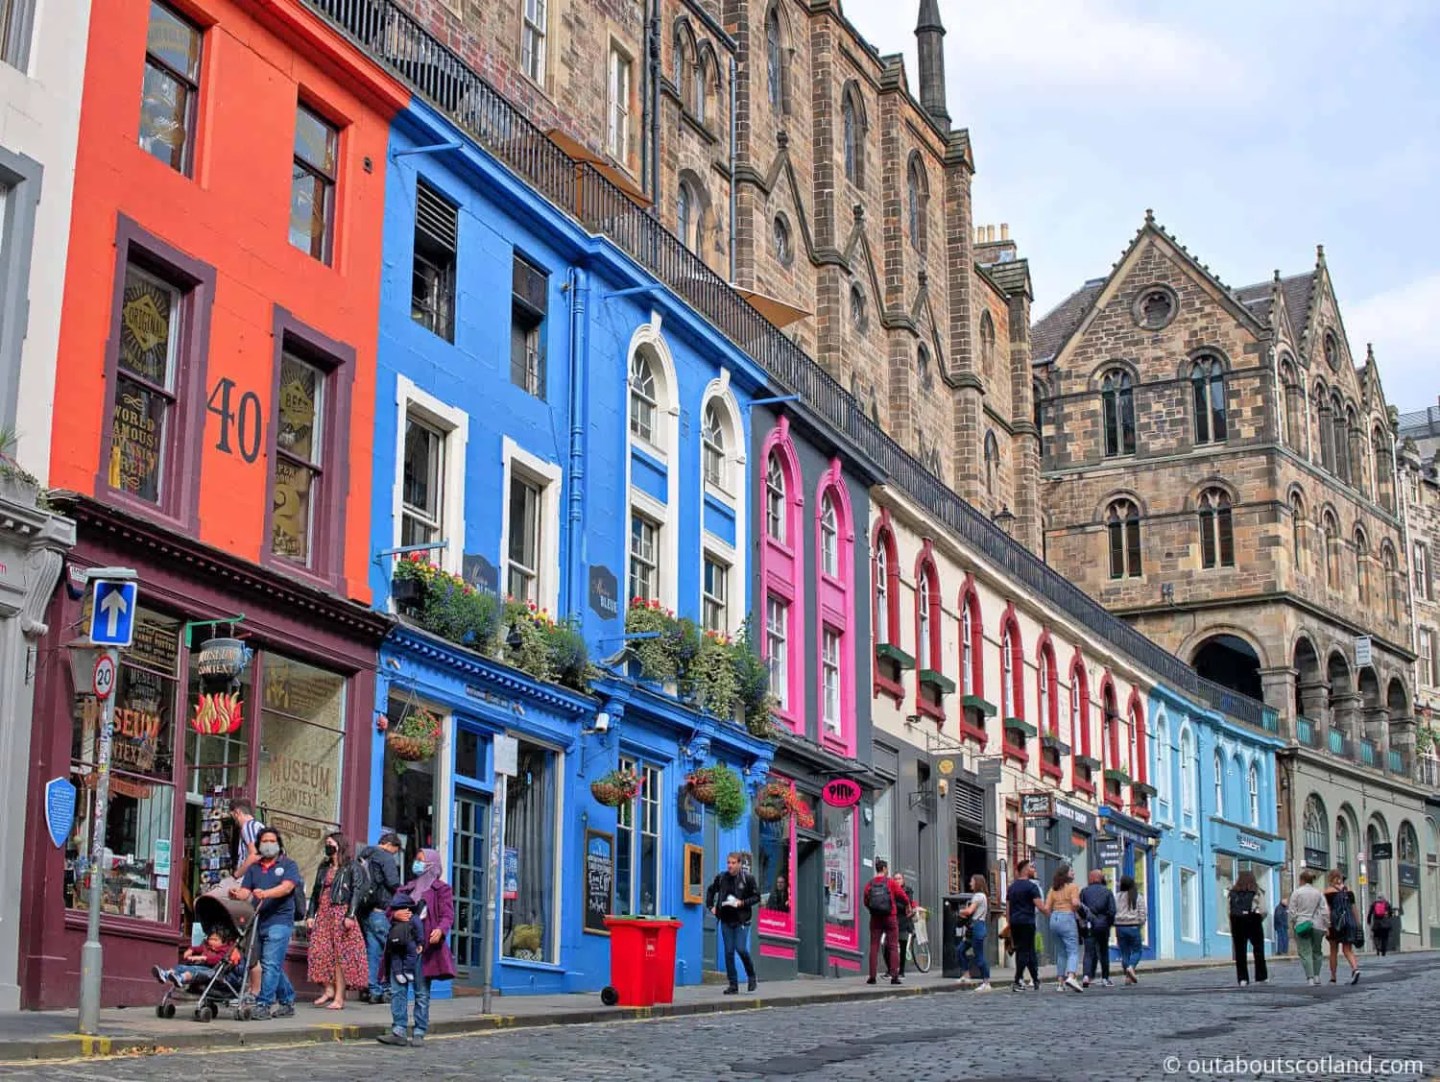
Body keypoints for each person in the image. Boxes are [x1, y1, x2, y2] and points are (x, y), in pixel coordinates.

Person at [377, 848, 454, 1048]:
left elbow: (448, 915)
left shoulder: (442, 889)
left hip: (424, 947)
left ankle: (419, 1030)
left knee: (421, 991)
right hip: (400, 946)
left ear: (432, 865)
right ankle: (399, 1030)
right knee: (397, 989)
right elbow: (389, 910)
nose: (416, 864)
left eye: (421, 860)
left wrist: (440, 930)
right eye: (416, 859)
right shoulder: (406, 889)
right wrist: (394, 915)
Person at [230, 826, 301, 1019]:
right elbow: (246, 891)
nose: (268, 844)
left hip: (280, 920)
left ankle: (264, 1004)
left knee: (270, 964)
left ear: (278, 844)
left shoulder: (288, 865)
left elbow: (286, 888)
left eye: (272, 841)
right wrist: (237, 894)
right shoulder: (254, 868)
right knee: (271, 964)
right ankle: (287, 1001)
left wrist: (266, 893)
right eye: (264, 841)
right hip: (259, 920)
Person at [305, 830, 370, 1009]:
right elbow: (316, 891)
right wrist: (311, 915)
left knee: (340, 958)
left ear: (339, 845)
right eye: (327, 843)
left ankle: (339, 998)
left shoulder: (351, 866)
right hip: (324, 913)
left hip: (341, 912)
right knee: (318, 951)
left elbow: (357, 891)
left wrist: (350, 915)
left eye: (331, 843)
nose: (328, 846)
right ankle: (328, 988)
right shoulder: (324, 867)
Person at [706, 851, 761, 994]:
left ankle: (751, 975)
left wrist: (742, 903)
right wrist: (710, 906)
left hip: (742, 920)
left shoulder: (747, 879)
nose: (730, 866)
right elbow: (711, 890)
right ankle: (733, 985)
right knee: (729, 952)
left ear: (739, 864)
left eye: (733, 863)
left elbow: (756, 897)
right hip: (726, 920)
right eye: (728, 863)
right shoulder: (722, 878)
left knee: (741, 948)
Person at [357, 833, 403, 1004]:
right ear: (390, 845)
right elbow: (393, 883)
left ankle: (373, 990)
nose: (395, 854)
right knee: (394, 949)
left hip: (366, 911)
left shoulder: (364, 855)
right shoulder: (386, 857)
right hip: (382, 910)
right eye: (395, 851)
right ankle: (392, 989)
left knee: (373, 952)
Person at [1005, 859, 1048, 992]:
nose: (1032, 869)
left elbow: (1008, 908)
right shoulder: (1031, 887)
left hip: (1015, 922)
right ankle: (1017, 980)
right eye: (1030, 867)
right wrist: (1050, 913)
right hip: (1027, 922)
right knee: (1026, 951)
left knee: (1027, 951)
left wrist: (1009, 923)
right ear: (1024, 869)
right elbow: (1040, 906)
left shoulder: (1011, 887)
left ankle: (1035, 979)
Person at [864, 858, 907, 985]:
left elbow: (865, 900)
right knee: (893, 946)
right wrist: (907, 904)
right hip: (890, 917)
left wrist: (873, 909)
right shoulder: (890, 883)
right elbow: (902, 895)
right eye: (887, 869)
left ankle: (872, 976)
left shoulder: (870, 884)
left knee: (874, 946)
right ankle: (894, 976)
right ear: (884, 869)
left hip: (875, 918)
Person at [1288, 869, 1330, 986]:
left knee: (1305, 951)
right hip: (1317, 925)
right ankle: (1317, 976)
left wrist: (1294, 922)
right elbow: (1324, 911)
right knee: (1317, 951)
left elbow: (1292, 911)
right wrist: (1327, 925)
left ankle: (1310, 978)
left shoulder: (1297, 893)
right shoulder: (1318, 893)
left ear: (1301, 880)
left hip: (1302, 924)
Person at [1045, 864, 1083, 992]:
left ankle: (1060, 983)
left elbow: (1046, 908)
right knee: (1072, 950)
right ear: (1066, 874)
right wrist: (1077, 909)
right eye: (1071, 871)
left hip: (1054, 918)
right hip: (1067, 917)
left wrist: (1054, 916)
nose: (1073, 873)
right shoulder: (1073, 887)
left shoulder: (1052, 889)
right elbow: (1075, 903)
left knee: (1061, 952)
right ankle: (1071, 976)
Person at [1227, 870, 1268, 986]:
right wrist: (1259, 919)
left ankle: (1242, 979)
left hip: (1237, 921)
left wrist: (1232, 923)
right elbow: (1264, 910)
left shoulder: (1233, 891)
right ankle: (1261, 976)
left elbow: (1229, 910)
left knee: (1240, 952)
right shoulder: (1256, 891)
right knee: (1258, 949)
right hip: (1253, 920)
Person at [153, 930, 232, 988]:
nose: (211, 941)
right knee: (181, 967)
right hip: (199, 966)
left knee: (193, 971)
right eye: (210, 939)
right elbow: (197, 948)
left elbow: (217, 959)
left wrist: (202, 957)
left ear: (223, 942)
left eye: (215, 940)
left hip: (211, 971)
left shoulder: (224, 950)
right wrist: (190, 950)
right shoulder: (207, 946)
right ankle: (165, 974)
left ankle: (181, 978)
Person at [1079, 869, 1116, 988]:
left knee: (1088, 952)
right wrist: (1108, 923)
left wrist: (1085, 920)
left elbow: (1080, 908)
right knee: (1103, 952)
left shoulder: (1084, 892)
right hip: (1103, 926)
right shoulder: (1107, 892)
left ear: (1092, 878)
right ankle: (1105, 978)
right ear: (1100, 878)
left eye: (1089, 876)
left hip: (1089, 925)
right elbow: (1112, 911)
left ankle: (1086, 976)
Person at [1323, 869, 1361, 985]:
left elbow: (1327, 910)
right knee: (1347, 949)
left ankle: (1333, 977)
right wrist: (1357, 923)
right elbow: (1354, 908)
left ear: (1329, 878)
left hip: (1335, 923)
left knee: (1333, 950)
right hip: (1349, 922)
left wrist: (1327, 925)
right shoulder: (1349, 891)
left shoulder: (1327, 892)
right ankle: (1355, 969)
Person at [958, 874, 992, 991]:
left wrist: (960, 911)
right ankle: (966, 975)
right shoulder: (982, 896)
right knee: (961, 950)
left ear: (977, 883)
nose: (970, 883)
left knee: (979, 956)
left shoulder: (978, 896)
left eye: (972, 881)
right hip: (975, 928)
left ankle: (986, 982)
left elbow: (969, 911)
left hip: (977, 927)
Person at [383, 892, 425, 986]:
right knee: (412, 954)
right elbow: (419, 929)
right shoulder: (413, 916)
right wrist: (420, 942)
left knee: (395, 956)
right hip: (409, 940)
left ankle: (398, 973)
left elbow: (386, 925)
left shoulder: (394, 917)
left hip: (394, 941)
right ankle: (408, 971)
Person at [1113, 874, 1146, 984]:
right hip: (1133, 926)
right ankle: (1131, 967)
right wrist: (1140, 923)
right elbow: (1142, 913)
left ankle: (1127, 977)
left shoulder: (1117, 897)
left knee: (1124, 952)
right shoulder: (1137, 896)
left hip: (1120, 927)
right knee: (1137, 950)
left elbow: (1112, 910)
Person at [230, 799, 263, 880]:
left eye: (233, 816)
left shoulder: (248, 827)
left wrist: (236, 875)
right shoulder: (258, 826)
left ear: (237, 812)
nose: (234, 821)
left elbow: (254, 855)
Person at [893, 871, 916, 978]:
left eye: (899, 878)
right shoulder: (891, 890)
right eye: (895, 879)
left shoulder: (908, 890)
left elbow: (907, 905)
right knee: (888, 946)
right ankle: (891, 969)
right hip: (893, 920)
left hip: (903, 921)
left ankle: (901, 970)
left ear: (903, 880)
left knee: (902, 946)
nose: (897, 881)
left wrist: (896, 904)